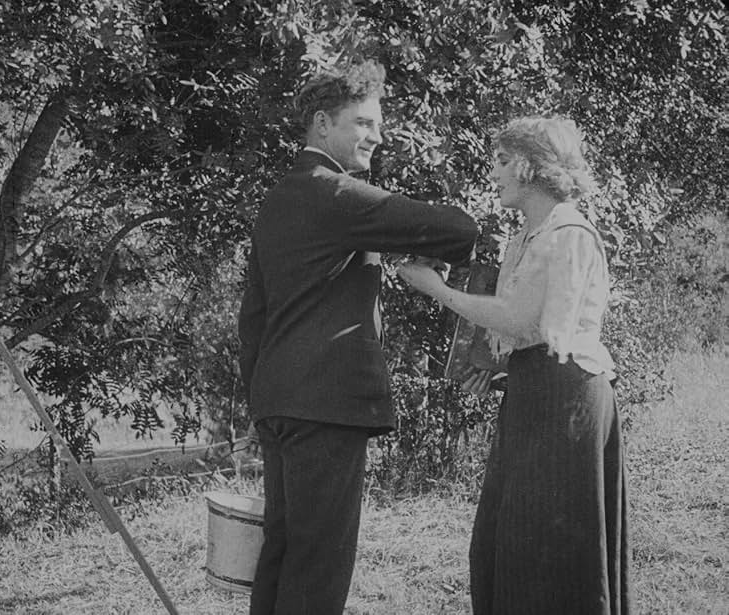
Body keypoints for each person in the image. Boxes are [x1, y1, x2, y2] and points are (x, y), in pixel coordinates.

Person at [238, 60, 478, 615]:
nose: (377, 134)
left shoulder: (279, 197)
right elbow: (457, 228)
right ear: (323, 124)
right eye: (363, 123)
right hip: (327, 405)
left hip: (280, 402)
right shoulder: (335, 192)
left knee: (283, 551)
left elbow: (253, 318)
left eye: (378, 124)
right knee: (319, 567)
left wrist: (265, 395)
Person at [399, 116, 632, 615]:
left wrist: (438, 290)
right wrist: (500, 366)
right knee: (506, 538)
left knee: (549, 542)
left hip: (567, 399)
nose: (495, 173)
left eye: (503, 161)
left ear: (530, 165)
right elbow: (532, 331)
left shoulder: (567, 232)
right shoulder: (529, 236)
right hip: (536, 391)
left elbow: (521, 318)